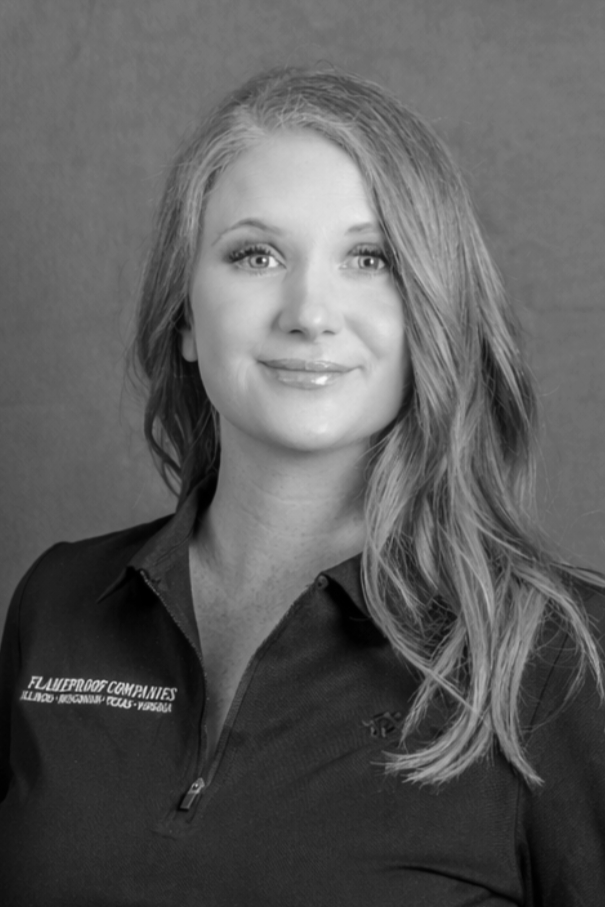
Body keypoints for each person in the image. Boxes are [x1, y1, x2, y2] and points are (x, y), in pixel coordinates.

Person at [0, 65, 604, 906]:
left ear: (434, 309)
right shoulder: (57, 604)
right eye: (255, 254)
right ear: (183, 316)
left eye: (370, 258)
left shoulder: (557, 659)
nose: (308, 311)